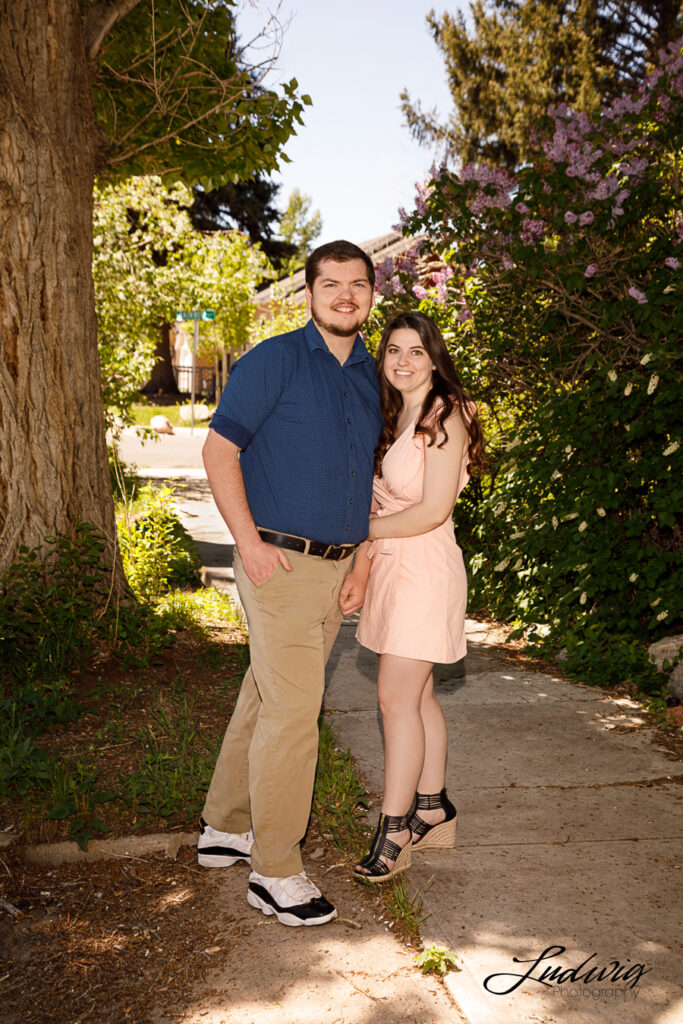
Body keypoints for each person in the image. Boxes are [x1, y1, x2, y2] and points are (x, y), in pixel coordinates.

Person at [197, 240, 382, 926]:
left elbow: (371, 479)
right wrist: (246, 545)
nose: (343, 294)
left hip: (336, 570)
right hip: (275, 562)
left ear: (370, 293)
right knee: (293, 713)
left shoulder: (371, 377)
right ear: (307, 293)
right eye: (328, 283)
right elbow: (220, 452)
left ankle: (224, 825)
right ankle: (274, 871)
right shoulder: (273, 360)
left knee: (265, 693)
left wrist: (361, 560)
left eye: (355, 284)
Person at [340, 310, 485, 882]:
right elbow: (383, 506)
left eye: (415, 351)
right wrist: (363, 564)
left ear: (434, 358)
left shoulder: (448, 412)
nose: (402, 361)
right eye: (393, 351)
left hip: (426, 572)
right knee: (419, 697)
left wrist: (355, 531)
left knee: (394, 700)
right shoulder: (394, 414)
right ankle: (434, 807)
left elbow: (431, 510)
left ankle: (395, 826)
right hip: (393, 570)